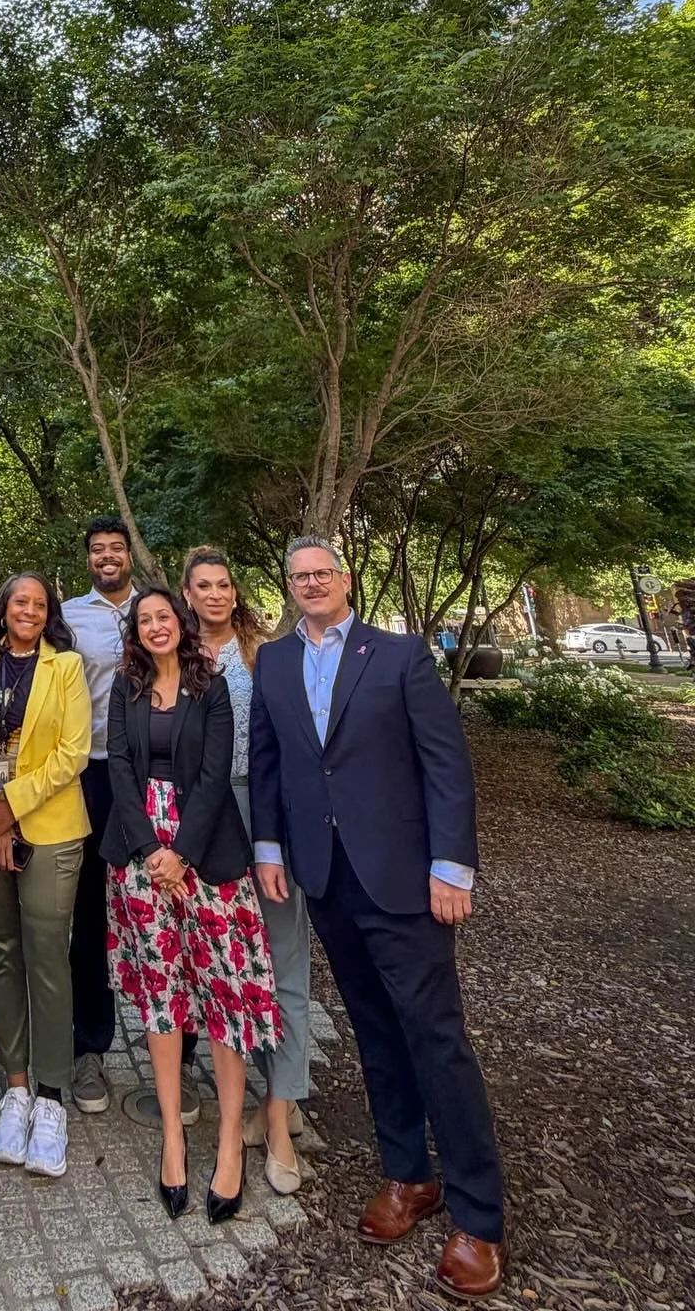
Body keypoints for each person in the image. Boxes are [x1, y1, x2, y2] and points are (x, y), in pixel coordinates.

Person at [249, 537, 506, 1301]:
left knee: (436, 1037)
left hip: (405, 881)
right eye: (299, 577)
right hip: (325, 881)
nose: (312, 584)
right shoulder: (274, 663)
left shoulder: (399, 656)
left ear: (346, 580)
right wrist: (270, 846)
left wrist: (451, 865)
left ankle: (478, 1216)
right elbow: (269, 762)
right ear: (289, 587)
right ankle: (407, 1175)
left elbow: (445, 763)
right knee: (373, 1032)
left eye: (322, 573)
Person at [104, 584, 282, 1223]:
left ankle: (230, 1141)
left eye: (163, 617)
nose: (155, 627)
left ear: (181, 624)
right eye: (143, 619)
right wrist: (152, 849)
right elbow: (120, 770)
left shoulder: (214, 690)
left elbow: (212, 779)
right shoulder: (125, 690)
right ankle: (174, 1139)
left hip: (208, 858)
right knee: (163, 996)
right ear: (136, 631)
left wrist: (181, 852)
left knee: (226, 993)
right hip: (140, 860)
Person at [62, 520, 201, 1123]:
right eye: (98, 550)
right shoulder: (67, 617)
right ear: (88, 559)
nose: (108, 556)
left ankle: (179, 1049)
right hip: (92, 774)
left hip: (162, 776)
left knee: (176, 908)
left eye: (117, 548)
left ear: (130, 554)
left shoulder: (158, 611)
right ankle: (90, 1047)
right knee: (91, 911)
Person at [184, 547, 310, 1196]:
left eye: (223, 583)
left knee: (285, 964)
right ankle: (243, 1107)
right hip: (205, 820)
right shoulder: (175, 660)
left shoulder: (266, 656)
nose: (214, 594)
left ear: (236, 592)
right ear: (186, 593)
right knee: (229, 970)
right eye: (202, 584)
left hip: (263, 810)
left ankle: (281, 1114)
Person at [0, 573, 91, 1180]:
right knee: (1, 953)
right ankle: (14, 1086)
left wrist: (10, 805)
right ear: (4, 607)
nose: (28, 610)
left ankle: (51, 1095)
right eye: (19, 600)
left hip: (50, 828)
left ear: (49, 614)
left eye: (39, 603)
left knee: (46, 953)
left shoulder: (65, 668)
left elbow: (72, 754)